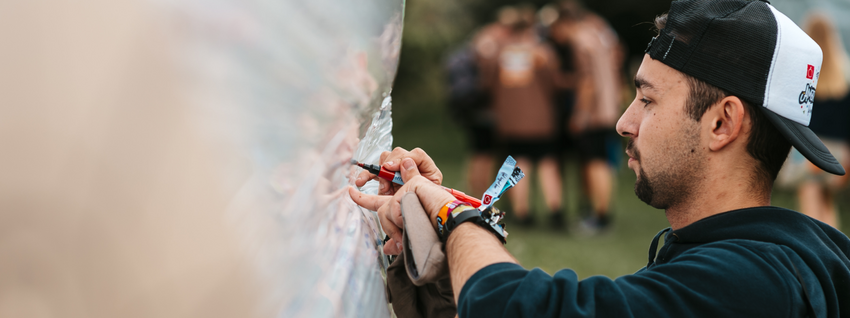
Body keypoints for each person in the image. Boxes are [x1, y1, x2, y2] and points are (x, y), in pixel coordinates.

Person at [352, 0, 850, 317]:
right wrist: (442, 249)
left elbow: (528, 311)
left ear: (722, 123)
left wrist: (454, 216)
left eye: (649, 100)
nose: (624, 122)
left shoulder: (749, 283)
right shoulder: (764, 256)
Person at [473, 5, 568, 228]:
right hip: (541, 120)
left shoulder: (499, 53)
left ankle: (523, 213)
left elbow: (486, 84)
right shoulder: (543, 52)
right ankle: (556, 212)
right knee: (547, 163)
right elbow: (556, 83)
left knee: (520, 162)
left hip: (511, 121)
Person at [549, 0, 625, 232]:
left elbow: (587, 81)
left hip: (593, 114)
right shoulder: (598, 36)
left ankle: (599, 218)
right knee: (602, 162)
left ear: (565, 22)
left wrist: (580, 114)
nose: (554, 34)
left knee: (595, 164)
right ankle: (600, 213)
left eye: (555, 28)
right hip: (608, 109)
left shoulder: (579, 42)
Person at [776, 12, 850, 229]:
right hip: (837, 154)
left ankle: (818, 257)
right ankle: (835, 256)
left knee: (810, 202)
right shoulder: (845, 77)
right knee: (827, 204)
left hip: (807, 151)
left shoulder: (803, 75)